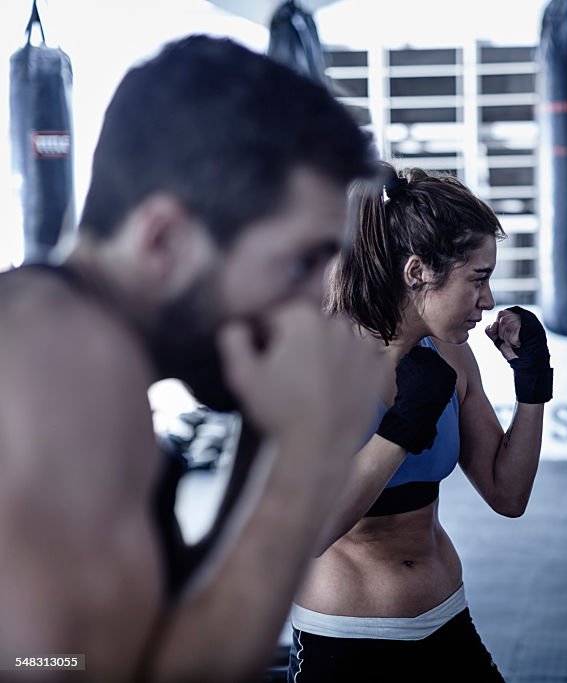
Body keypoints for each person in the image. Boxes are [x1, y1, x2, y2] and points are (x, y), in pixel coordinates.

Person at [0, 36, 389, 682]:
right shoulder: (70, 364)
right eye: (300, 262)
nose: (317, 298)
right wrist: (307, 454)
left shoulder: (50, 324)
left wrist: (272, 429)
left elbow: (156, 636)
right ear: (163, 239)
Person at [287, 164, 554, 681]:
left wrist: (533, 385)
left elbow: (508, 494)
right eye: (477, 279)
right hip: (345, 640)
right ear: (417, 273)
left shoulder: (452, 359)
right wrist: (402, 426)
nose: (489, 300)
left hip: (445, 619)